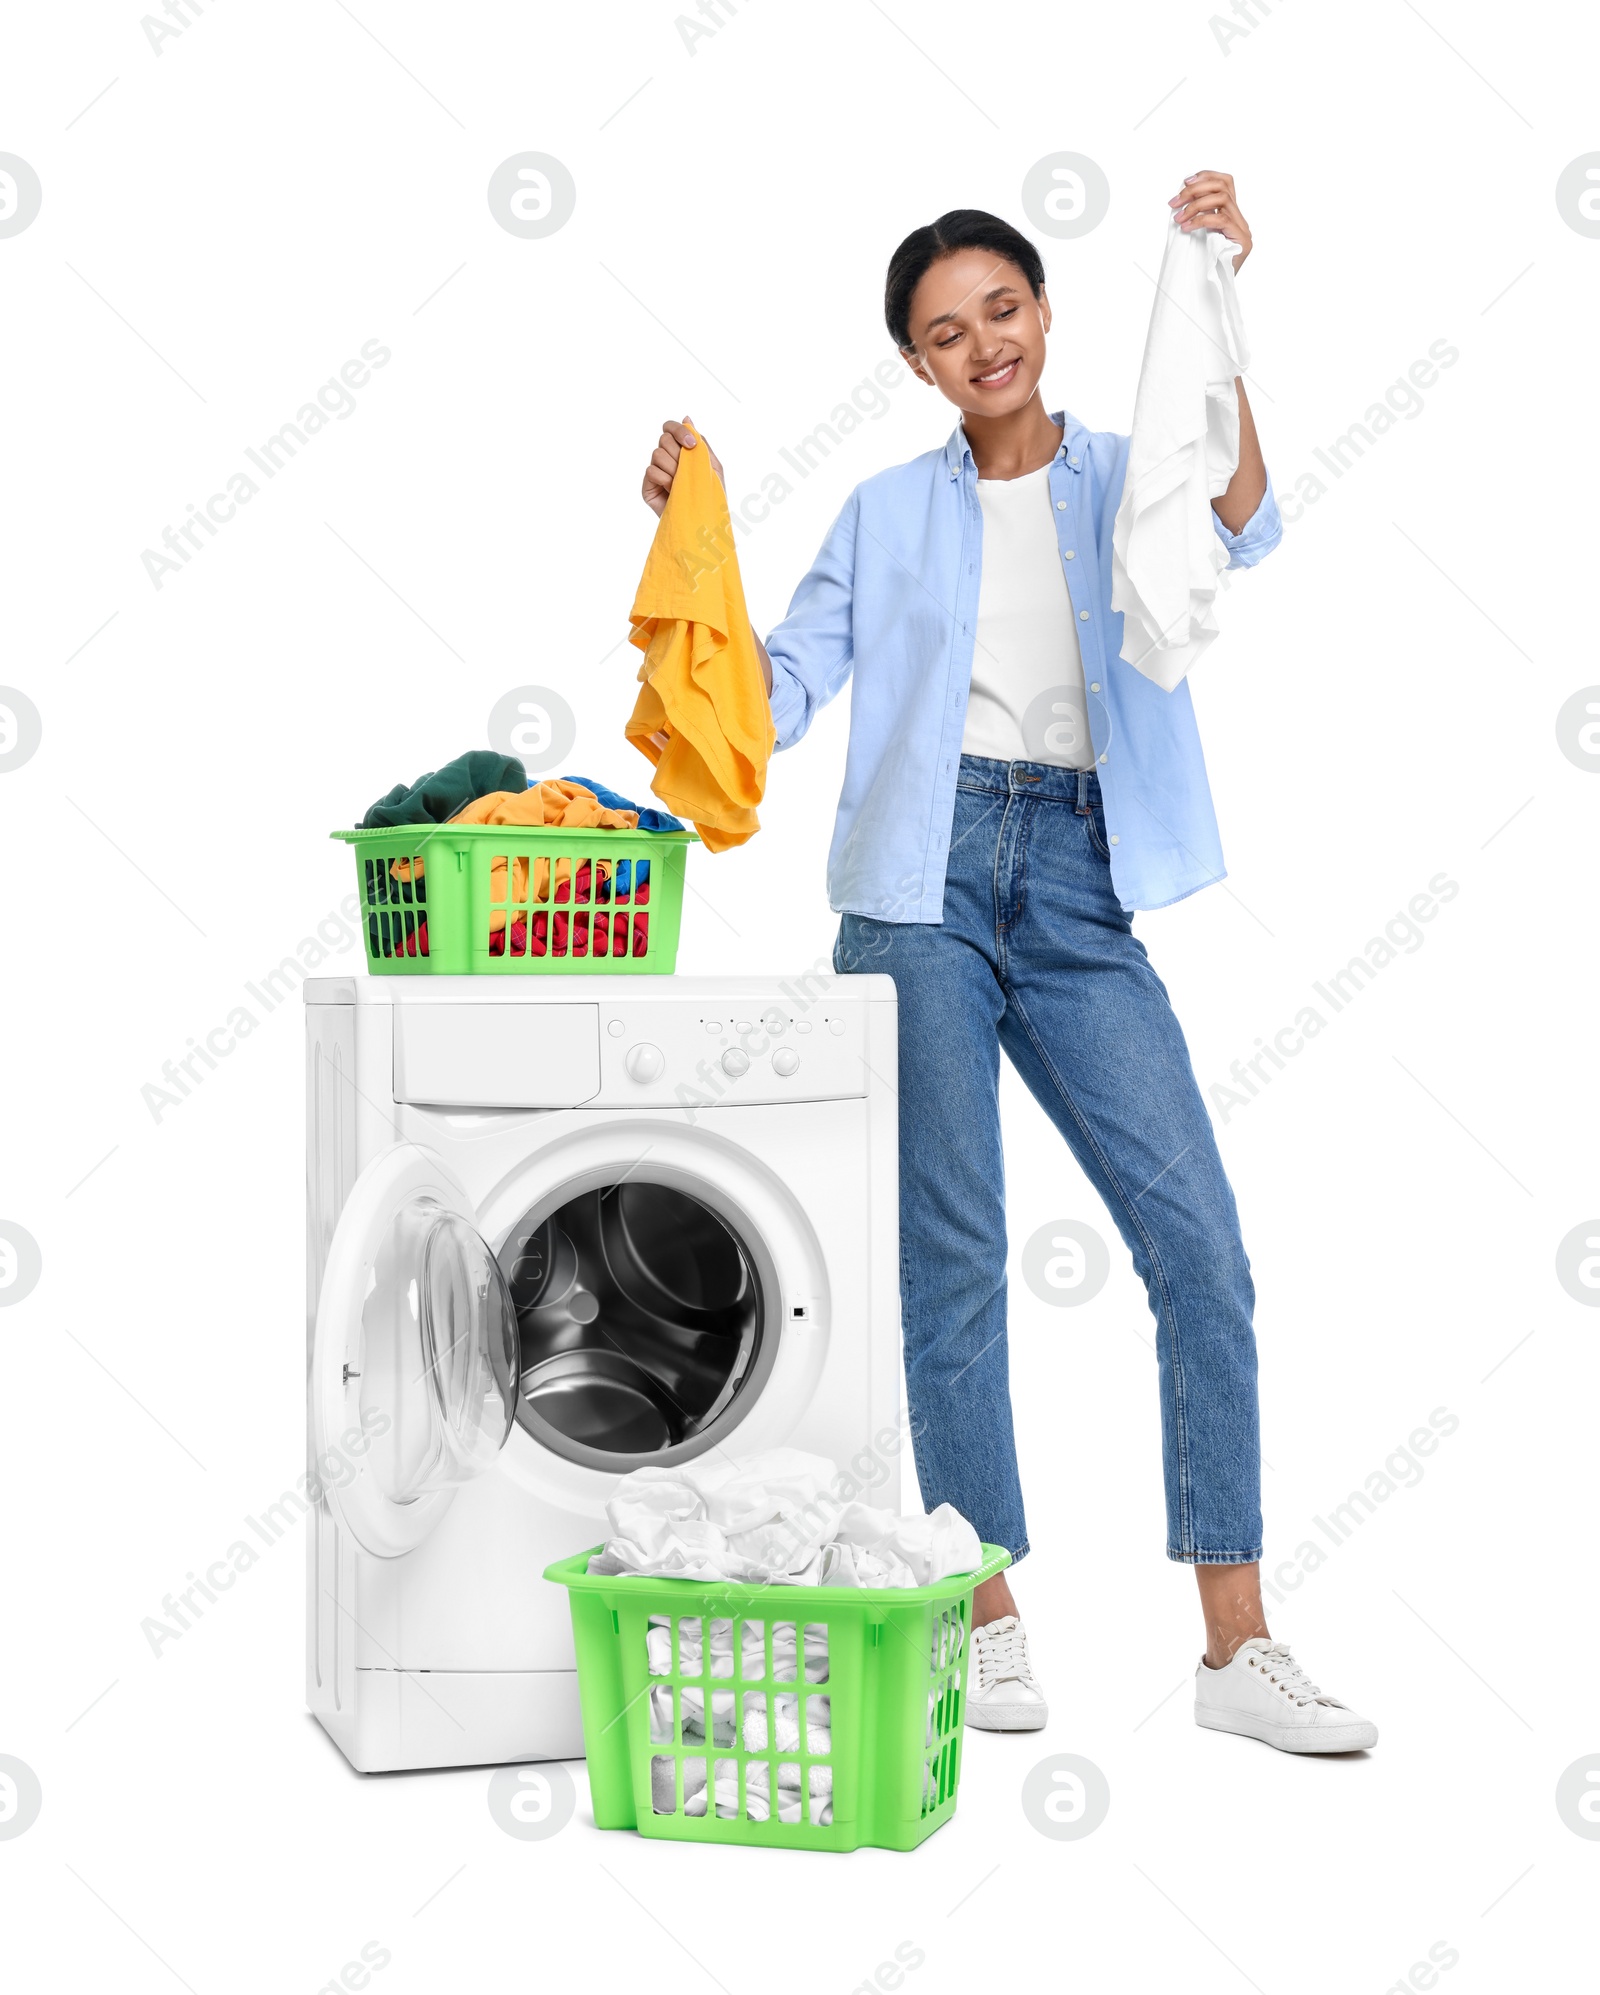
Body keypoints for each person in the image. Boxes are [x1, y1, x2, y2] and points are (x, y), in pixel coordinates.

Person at [641, 173, 1377, 1755]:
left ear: (1045, 317)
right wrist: (691, 546)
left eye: (1003, 311)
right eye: (943, 331)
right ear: (915, 364)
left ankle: (1236, 1648)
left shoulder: (1127, 476)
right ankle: (980, 1612)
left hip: (1080, 883)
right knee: (955, 1258)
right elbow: (766, 704)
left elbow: (1242, 516)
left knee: (1201, 1250)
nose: (982, 344)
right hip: (917, 894)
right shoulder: (885, 513)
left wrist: (1221, 309)